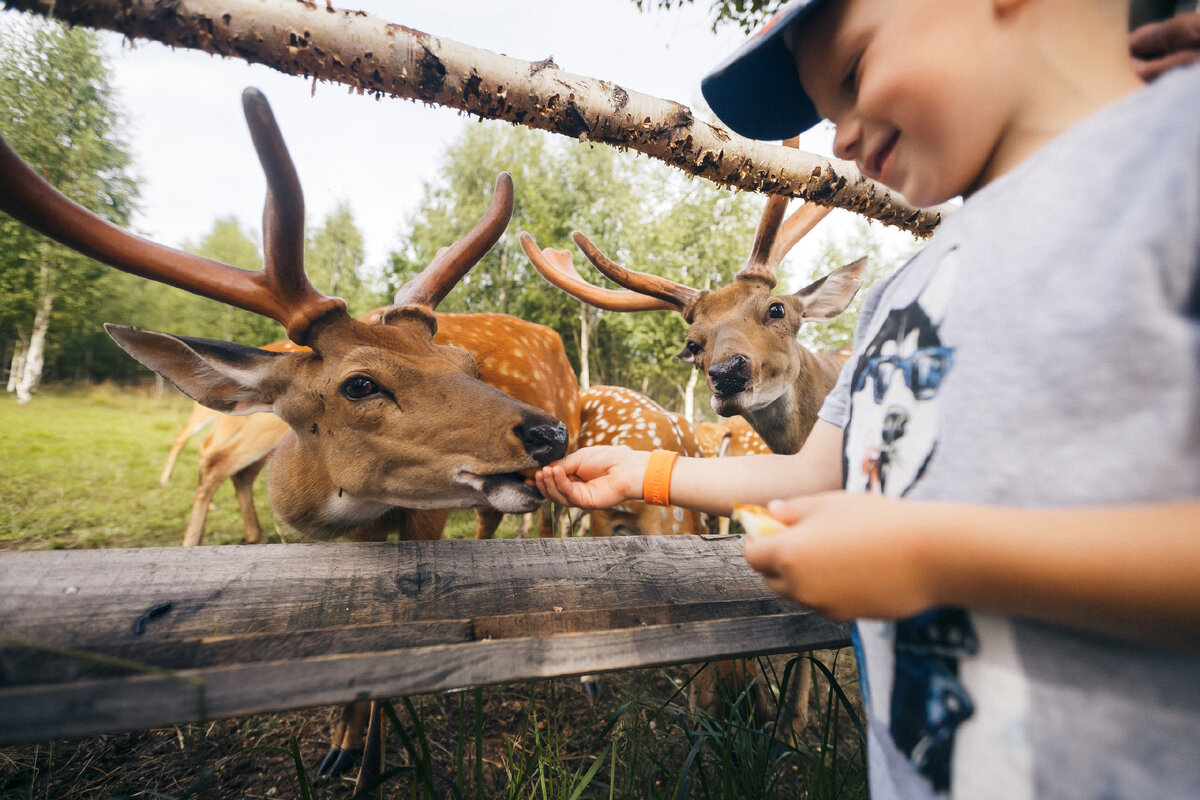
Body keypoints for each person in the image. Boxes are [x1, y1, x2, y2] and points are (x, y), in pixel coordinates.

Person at [533, 0, 1200, 797]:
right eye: (824, 108)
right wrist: (645, 473)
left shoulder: (1176, 160)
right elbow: (815, 476)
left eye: (852, 73)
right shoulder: (897, 294)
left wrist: (933, 557)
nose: (839, 135)